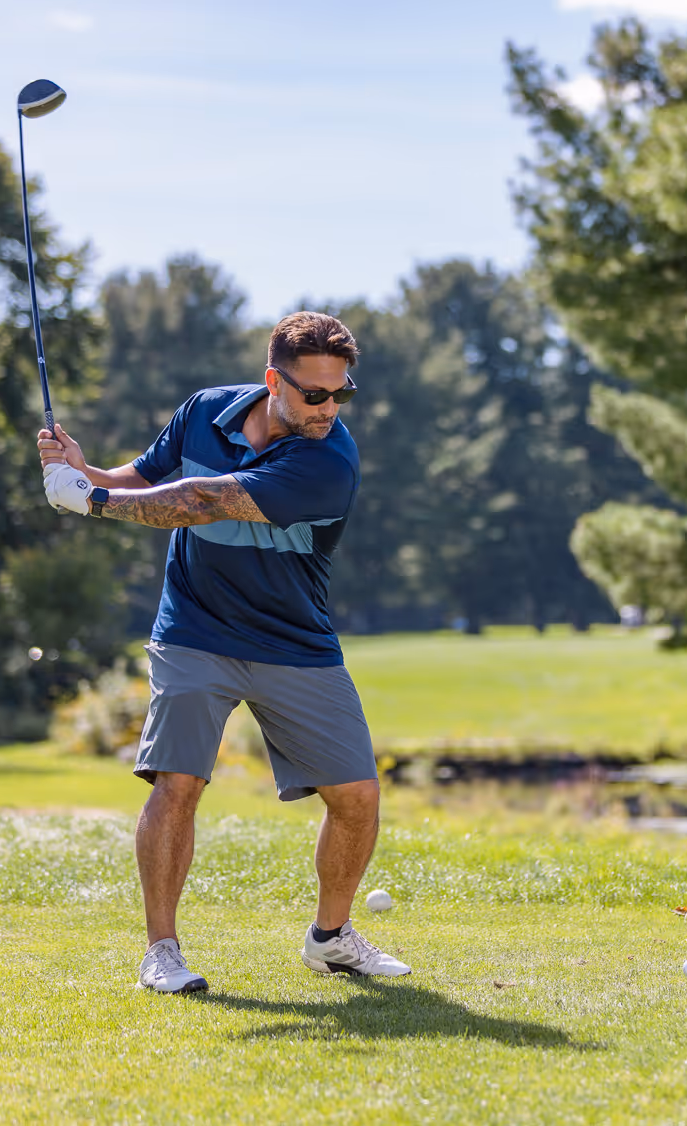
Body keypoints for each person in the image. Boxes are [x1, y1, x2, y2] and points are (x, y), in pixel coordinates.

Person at [37, 311, 410, 992]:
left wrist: (89, 501)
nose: (329, 408)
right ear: (274, 381)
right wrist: (82, 470)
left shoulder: (329, 460)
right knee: (177, 781)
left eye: (341, 394)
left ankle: (330, 938)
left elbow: (199, 501)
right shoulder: (204, 411)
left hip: (293, 640)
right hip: (194, 630)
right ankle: (162, 952)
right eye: (315, 394)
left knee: (356, 796)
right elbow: (145, 478)